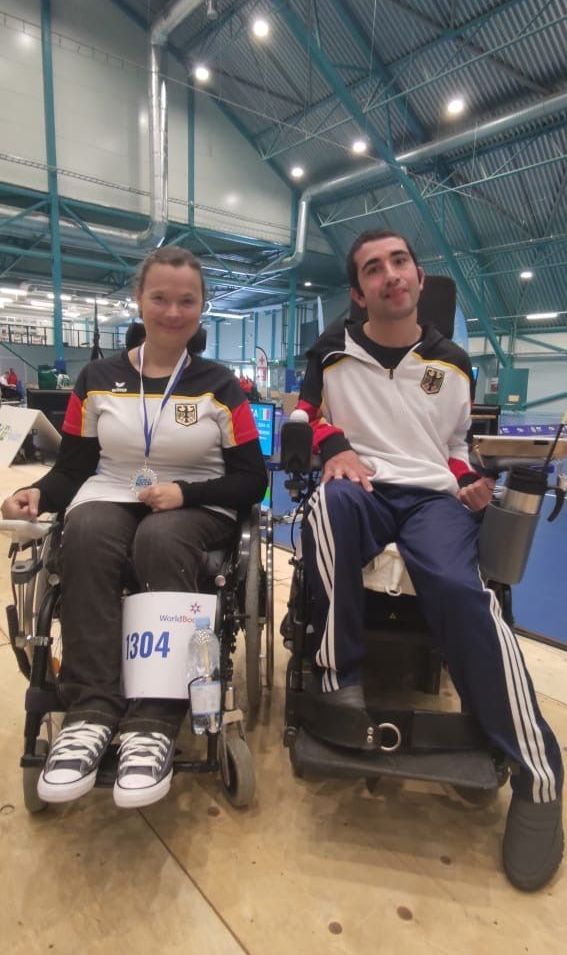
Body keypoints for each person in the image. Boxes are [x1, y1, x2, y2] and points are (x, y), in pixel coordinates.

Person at [298, 229, 563, 892]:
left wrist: (468, 480)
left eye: (399, 262)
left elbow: (450, 446)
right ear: (359, 293)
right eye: (373, 269)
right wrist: (332, 444)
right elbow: (303, 414)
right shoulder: (331, 352)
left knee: (460, 586)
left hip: (428, 498)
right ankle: (337, 674)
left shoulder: (453, 362)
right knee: (325, 509)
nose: (390, 274)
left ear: (418, 276)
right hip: (359, 486)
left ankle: (538, 773)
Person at [1, 246, 267, 810]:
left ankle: (154, 718)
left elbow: (252, 479)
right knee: (86, 533)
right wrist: (38, 493)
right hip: (111, 491)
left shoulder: (221, 385)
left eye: (187, 301)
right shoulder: (97, 378)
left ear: (202, 307)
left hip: (198, 504)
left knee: (160, 538)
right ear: (139, 301)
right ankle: (91, 710)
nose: (173, 311)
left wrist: (186, 492)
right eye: (160, 298)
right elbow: (74, 467)